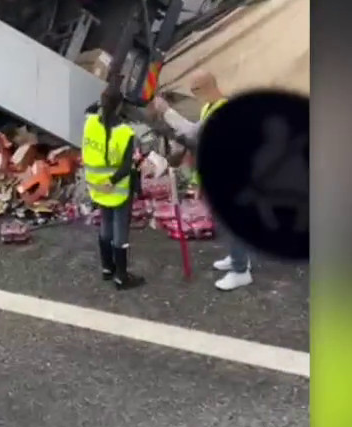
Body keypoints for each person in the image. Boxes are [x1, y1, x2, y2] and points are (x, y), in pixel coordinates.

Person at [152, 69, 253, 290]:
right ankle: (238, 258)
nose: (193, 94)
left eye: (194, 90)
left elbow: (191, 134)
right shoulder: (209, 108)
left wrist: (166, 111)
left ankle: (240, 270)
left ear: (204, 88)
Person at [80, 84, 143, 290]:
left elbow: (90, 109)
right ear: (120, 107)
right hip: (117, 190)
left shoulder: (89, 123)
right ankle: (121, 276)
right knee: (120, 231)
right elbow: (126, 168)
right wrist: (113, 181)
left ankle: (107, 268)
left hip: (96, 186)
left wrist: (104, 99)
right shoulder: (125, 133)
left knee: (105, 225)